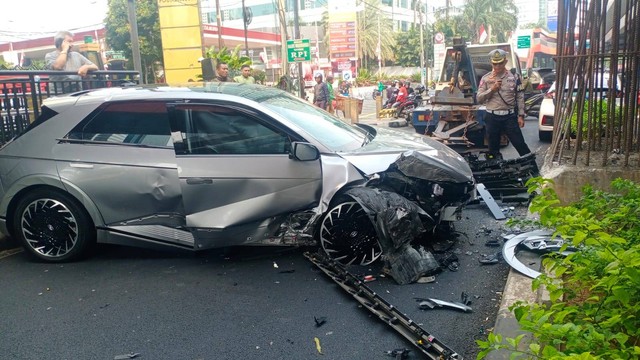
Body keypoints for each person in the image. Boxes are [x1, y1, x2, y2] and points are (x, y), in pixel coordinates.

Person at [477, 49, 531, 159]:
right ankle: (494, 171)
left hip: (509, 117)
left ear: (505, 62)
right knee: (493, 148)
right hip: (492, 117)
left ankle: (533, 169)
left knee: (520, 144)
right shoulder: (485, 78)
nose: (497, 66)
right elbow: (479, 98)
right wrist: (492, 89)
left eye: (500, 63)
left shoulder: (514, 78)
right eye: (494, 63)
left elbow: (520, 97)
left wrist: (521, 115)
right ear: (491, 63)